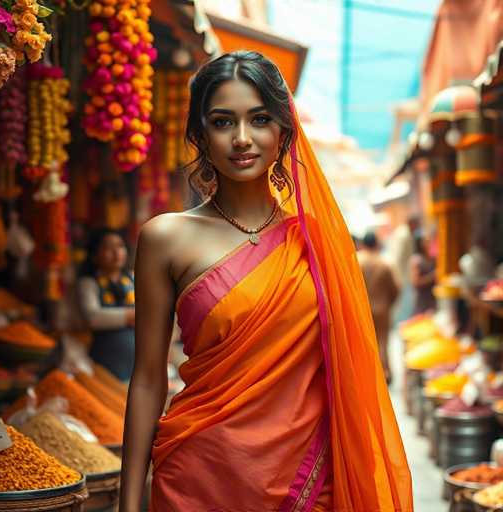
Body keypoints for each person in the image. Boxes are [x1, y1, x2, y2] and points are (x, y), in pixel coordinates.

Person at [120, 51, 413, 512]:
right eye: (222, 122)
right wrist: (128, 500)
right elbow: (148, 378)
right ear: (199, 134)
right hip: (197, 478)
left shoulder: (318, 243)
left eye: (259, 119)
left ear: (283, 131)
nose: (241, 139)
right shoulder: (166, 238)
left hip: (306, 477)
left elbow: (350, 373)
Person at [78, 228, 135, 381]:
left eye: (120, 246)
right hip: (105, 365)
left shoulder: (133, 279)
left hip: (137, 366)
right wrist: (132, 316)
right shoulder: (88, 283)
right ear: (94, 255)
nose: (116, 252)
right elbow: (93, 318)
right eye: (109, 248)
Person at [358, 231, 400, 384]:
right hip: (382, 309)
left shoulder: (356, 262)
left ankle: (369, 377)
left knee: (365, 344)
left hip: (362, 311)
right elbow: (396, 289)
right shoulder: (384, 264)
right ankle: (385, 375)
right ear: (376, 244)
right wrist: (389, 304)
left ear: (363, 244)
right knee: (382, 343)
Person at [409, 230, 436, 315]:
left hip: (431, 299)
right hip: (422, 301)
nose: (429, 243)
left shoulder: (430, 258)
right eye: (426, 241)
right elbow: (416, 282)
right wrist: (432, 276)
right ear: (420, 243)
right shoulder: (416, 260)